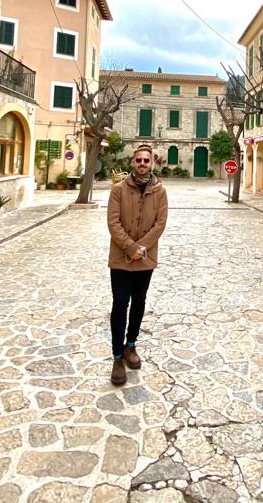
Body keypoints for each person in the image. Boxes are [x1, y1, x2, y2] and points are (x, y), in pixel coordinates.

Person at [106, 144, 169, 386]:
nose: (142, 164)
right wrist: (131, 248)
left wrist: (141, 248)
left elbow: (160, 223)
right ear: (132, 163)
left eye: (146, 161)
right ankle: (117, 356)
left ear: (152, 164)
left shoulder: (160, 191)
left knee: (139, 302)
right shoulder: (118, 190)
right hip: (121, 258)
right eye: (138, 160)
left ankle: (131, 345)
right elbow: (113, 222)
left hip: (145, 259)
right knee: (120, 303)